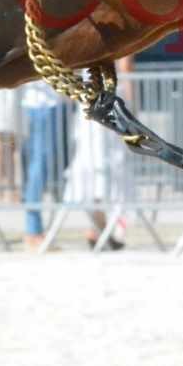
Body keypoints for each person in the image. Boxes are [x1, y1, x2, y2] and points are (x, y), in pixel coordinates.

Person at [62, 55, 133, 249]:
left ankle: (103, 227)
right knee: (108, 166)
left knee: (95, 165)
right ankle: (105, 227)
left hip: (91, 105)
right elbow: (126, 68)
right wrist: (134, 110)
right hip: (107, 104)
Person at [19, 79, 72, 252]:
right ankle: (33, 231)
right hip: (44, 105)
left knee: (39, 166)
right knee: (39, 167)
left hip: (43, 104)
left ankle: (35, 230)